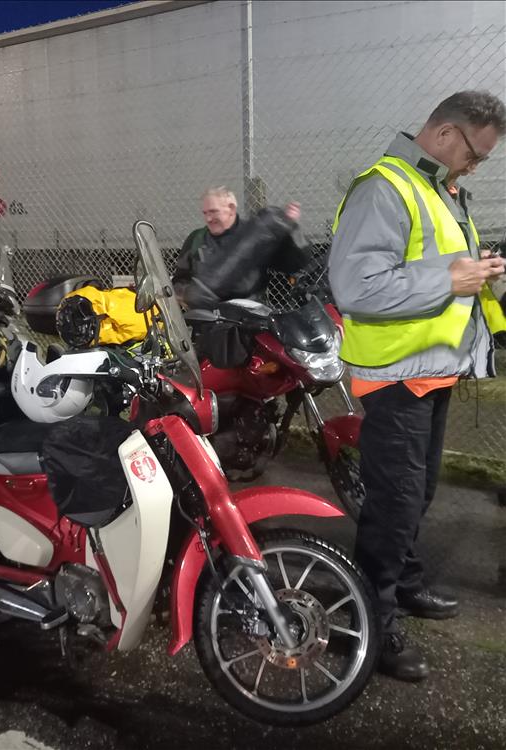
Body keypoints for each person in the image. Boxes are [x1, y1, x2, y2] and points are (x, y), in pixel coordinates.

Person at [328, 91, 506, 682]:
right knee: (394, 504)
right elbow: (357, 287)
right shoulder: (383, 187)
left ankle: (399, 586)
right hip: (396, 378)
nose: (475, 167)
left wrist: (478, 273)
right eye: (475, 155)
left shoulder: (437, 188)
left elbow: (438, 273)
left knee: (414, 497)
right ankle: (365, 625)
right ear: (447, 134)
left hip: (431, 373)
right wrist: (452, 276)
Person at [173, 187, 311, 310]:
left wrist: (290, 229)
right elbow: (180, 279)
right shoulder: (196, 239)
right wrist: (187, 294)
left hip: (250, 318)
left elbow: (293, 264)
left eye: (213, 212)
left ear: (231, 208)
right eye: (205, 213)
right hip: (208, 321)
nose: (208, 218)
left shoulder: (256, 236)